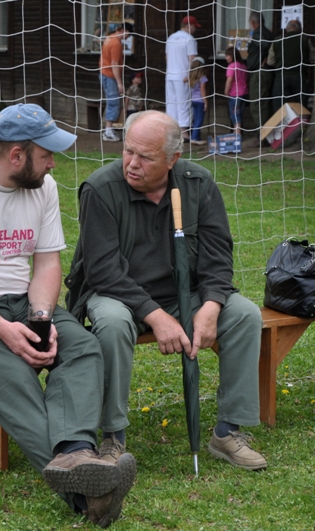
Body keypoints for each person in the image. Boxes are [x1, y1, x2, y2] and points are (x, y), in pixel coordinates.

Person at [0, 103, 137, 527]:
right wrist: (3, 330)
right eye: (47, 154)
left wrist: (41, 320)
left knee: (82, 348)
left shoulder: (43, 187)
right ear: (17, 155)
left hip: (23, 301)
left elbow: (48, 263)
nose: (53, 163)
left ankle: (76, 452)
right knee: (13, 375)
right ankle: (90, 496)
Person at [66, 110, 268, 471]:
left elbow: (218, 256)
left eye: (145, 157)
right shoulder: (101, 189)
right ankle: (113, 437)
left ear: (173, 158)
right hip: (119, 296)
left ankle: (228, 431)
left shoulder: (198, 183)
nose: (132, 163)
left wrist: (211, 306)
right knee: (111, 324)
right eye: (128, 151)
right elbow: (103, 272)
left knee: (244, 315)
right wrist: (156, 316)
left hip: (184, 294)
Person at [165, 15, 201, 142]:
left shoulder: (171, 38)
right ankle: (184, 132)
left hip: (170, 74)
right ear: (189, 26)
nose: (195, 29)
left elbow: (167, 58)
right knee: (184, 103)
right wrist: (192, 75)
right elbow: (192, 59)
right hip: (183, 75)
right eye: (194, 26)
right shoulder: (190, 39)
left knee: (171, 103)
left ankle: (172, 132)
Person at [100, 23, 133, 142]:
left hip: (104, 73)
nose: (129, 36)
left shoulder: (109, 38)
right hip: (110, 75)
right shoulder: (116, 44)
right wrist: (119, 83)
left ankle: (109, 129)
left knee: (111, 101)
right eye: (129, 33)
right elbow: (114, 64)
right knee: (113, 102)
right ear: (123, 30)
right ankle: (108, 131)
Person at [246, 12, 274, 145]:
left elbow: (265, 45)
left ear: (253, 22)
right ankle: (265, 136)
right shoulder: (268, 33)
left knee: (257, 105)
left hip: (259, 73)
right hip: (264, 72)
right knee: (263, 104)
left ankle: (263, 138)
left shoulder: (259, 34)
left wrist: (265, 58)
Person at [271, 20, 310, 110]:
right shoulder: (304, 40)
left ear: (286, 29)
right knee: (300, 108)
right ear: (299, 30)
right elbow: (313, 58)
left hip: (281, 77)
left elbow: (270, 61)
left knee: (280, 109)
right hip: (299, 77)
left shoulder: (277, 40)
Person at [224, 46, 248, 138]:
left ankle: (237, 136)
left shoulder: (231, 66)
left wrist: (226, 92)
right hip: (244, 93)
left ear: (232, 56)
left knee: (235, 115)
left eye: (228, 56)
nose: (226, 58)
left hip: (235, 94)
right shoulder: (243, 66)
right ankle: (236, 133)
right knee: (239, 114)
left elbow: (229, 80)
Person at [187, 57, 208, 145]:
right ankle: (194, 137)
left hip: (193, 100)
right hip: (200, 101)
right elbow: (203, 91)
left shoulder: (191, 78)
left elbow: (184, 80)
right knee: (199, 120)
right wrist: (205, 102)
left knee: (195, 119)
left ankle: (197, 137)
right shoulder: (202, 78)